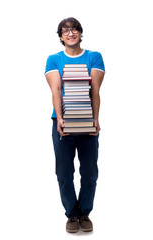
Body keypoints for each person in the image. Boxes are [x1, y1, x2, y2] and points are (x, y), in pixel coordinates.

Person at [44, 17, 105, 233]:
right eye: (65, 30)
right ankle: (72, 214)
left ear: (80, 32)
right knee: (63, 171)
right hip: (62, 122)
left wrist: (95, 119)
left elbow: (94, 91)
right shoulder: (54, 59)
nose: (70, 33)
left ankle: (85, 213)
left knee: (89, 172)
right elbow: (55, 91)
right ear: (60, 36)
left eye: (74, 29)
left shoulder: (94, 57)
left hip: (88, 121)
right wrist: (60, 119)